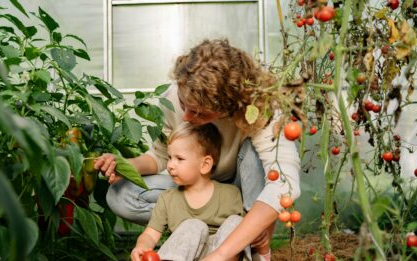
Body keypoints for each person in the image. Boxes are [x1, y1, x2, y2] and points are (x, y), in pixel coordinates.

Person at [95, 39, 301, 260]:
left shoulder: (260, 108)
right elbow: (161, 155)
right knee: (121, 194)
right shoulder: (175, 96)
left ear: (229, 108)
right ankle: (199, 234)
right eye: (184, 106)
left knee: (256, 157)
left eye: (200, 114)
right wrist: (125, 165)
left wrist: (221, 254)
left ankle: (246, 241)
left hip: (240, 196)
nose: (185, 118)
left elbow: (283, 184)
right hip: (196, 184)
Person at [131, 122, 249, 261]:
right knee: (193, 225)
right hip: (186, 257)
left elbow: (249, 235)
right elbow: (150, 235)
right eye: (169, 157)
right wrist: (141, 246)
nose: (170, 165)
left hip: (221, 256)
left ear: (205, 165)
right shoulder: (168, 198)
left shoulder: (230, 194)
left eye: (179, 159)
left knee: (237, 222)